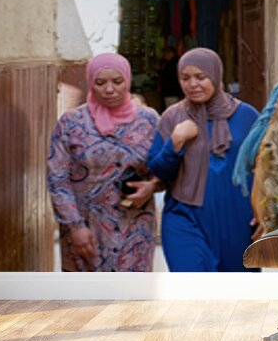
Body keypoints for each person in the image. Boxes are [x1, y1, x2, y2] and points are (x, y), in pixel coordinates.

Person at [148, 47, 260, 272]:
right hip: (185, 217)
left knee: (239, 297)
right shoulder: (173, 116)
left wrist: (264, 212)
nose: (192, 84)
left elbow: (264, 167)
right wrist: (175, 142)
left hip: (237, 220)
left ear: (216, 76)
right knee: (191, 292)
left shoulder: (247, 116)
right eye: (185, 78)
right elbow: (159, 170)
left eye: (201, 77)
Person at [47, 53, 161, 272]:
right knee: (87, 299)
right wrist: (75, 226)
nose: (109, 89)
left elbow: (165, 168)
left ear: (127, 80)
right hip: (86, 230)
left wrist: (152, 187)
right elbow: (57, 179)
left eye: (117, 82)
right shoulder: (71, 123)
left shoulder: (149, 120)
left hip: (134, 226)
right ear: (91, 82)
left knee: (132, 297)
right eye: (100, 83)